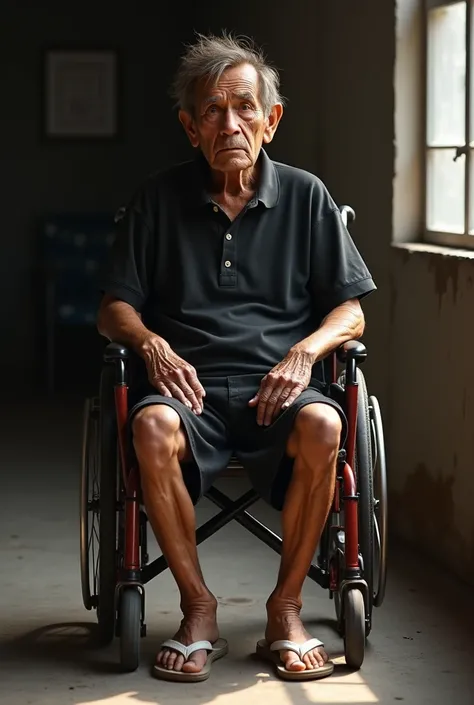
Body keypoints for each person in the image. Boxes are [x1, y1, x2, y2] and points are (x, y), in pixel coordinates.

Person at [97, 31, 376, 683]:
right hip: (187, 395)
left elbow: (352, 310)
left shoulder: (307, 199)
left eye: (245, 107)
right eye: (214, 111)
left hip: (279, 391)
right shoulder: (157, 201)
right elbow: (114, 307)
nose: (231, 123)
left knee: (328, 424)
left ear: (271, 120)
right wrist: (151, 342)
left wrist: (304, 353)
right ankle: (198, 609)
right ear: (190, 128)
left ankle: (285, 611)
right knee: (148, 425)